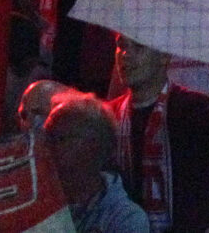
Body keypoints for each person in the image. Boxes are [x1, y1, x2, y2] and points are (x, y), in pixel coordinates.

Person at [103, 39, 209, 233]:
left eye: (139, 46)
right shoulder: (108, 116)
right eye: (121, 46)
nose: (125, 54)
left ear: (164, 56)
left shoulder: (191, 108)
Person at [44, 93, 147, 233]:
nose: (48, 147)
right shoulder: (38, 205)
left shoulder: (125, 218)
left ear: (93, 145)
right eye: (47, 138)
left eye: (60, 138)